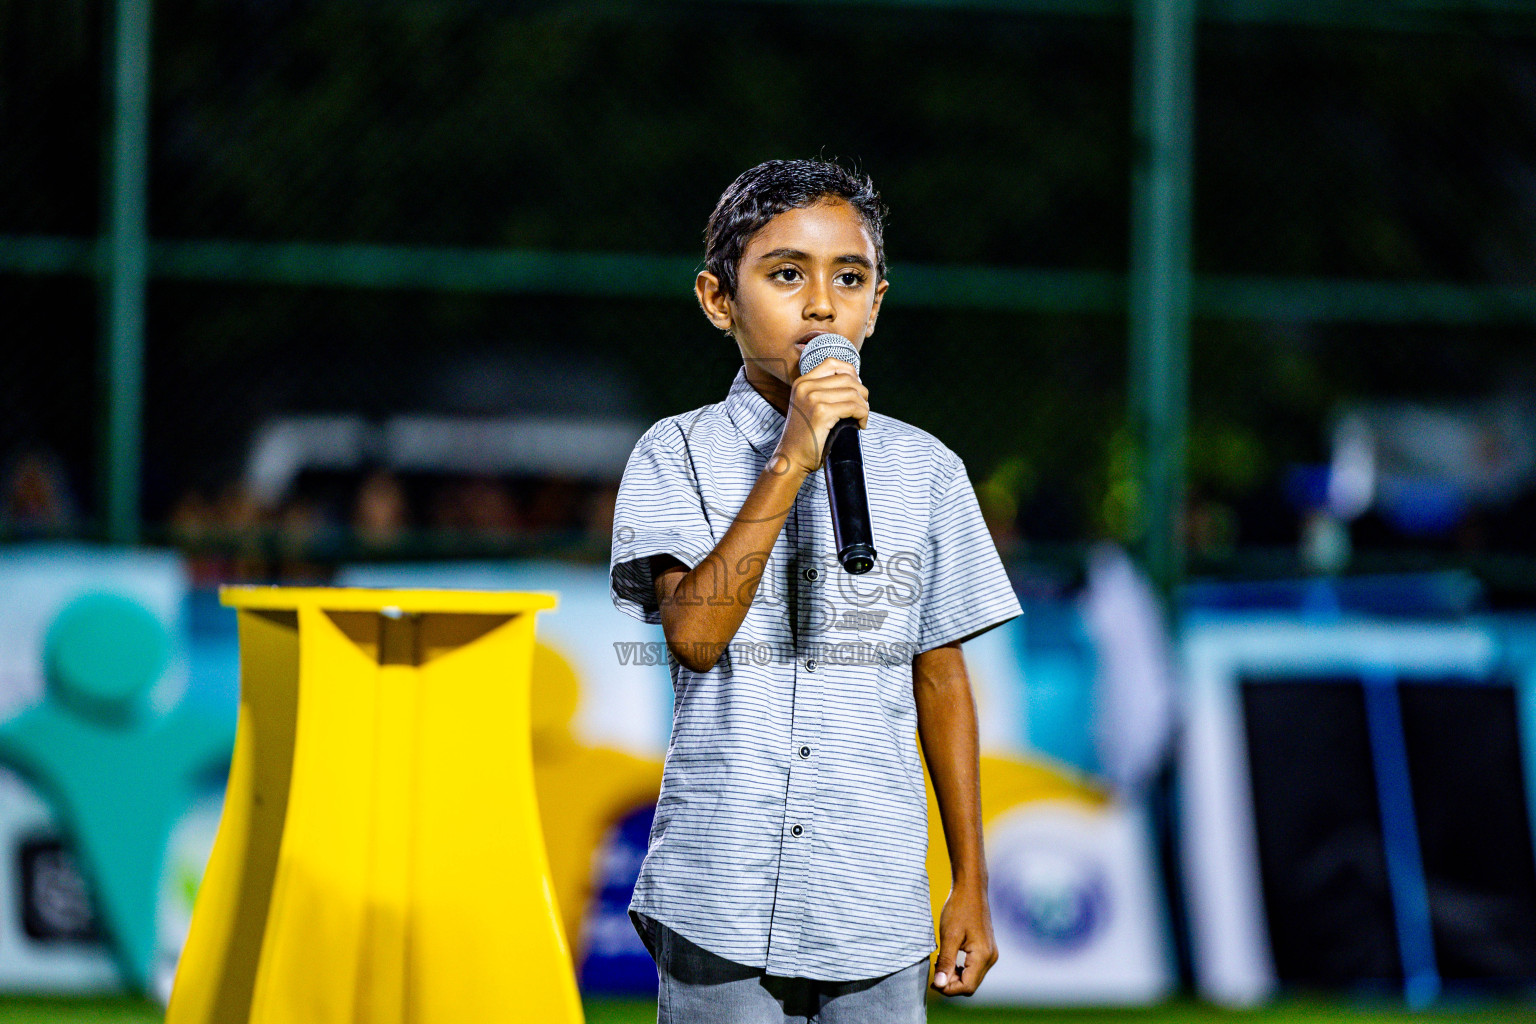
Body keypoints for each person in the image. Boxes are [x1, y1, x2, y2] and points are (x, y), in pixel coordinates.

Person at [609, 158, 1022, 1023]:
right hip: (719, 890)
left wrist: (970, 884)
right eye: (786, 273)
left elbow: (941, 678)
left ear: (876, 302)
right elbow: (695, 635)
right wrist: (795, 452)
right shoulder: (673, 452)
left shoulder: (927, 470)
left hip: (871, 898)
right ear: (720, 300)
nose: (822, 304)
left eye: (850, 277)